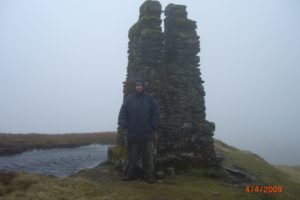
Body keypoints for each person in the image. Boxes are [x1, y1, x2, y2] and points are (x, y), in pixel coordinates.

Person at [118, 78, 160, 183]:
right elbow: (122, 115)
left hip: (146, 134)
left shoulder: (149, 99)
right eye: (137, 85)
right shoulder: (129, 99)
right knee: (132, 158)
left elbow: (156, 113)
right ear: (135, 87)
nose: (139, 87)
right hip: (133, 134)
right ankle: (130, 175)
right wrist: (126, 126)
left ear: (143, 87)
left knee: (148, 157)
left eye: (140, 85)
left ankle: (149, 176)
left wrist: (152, 126)